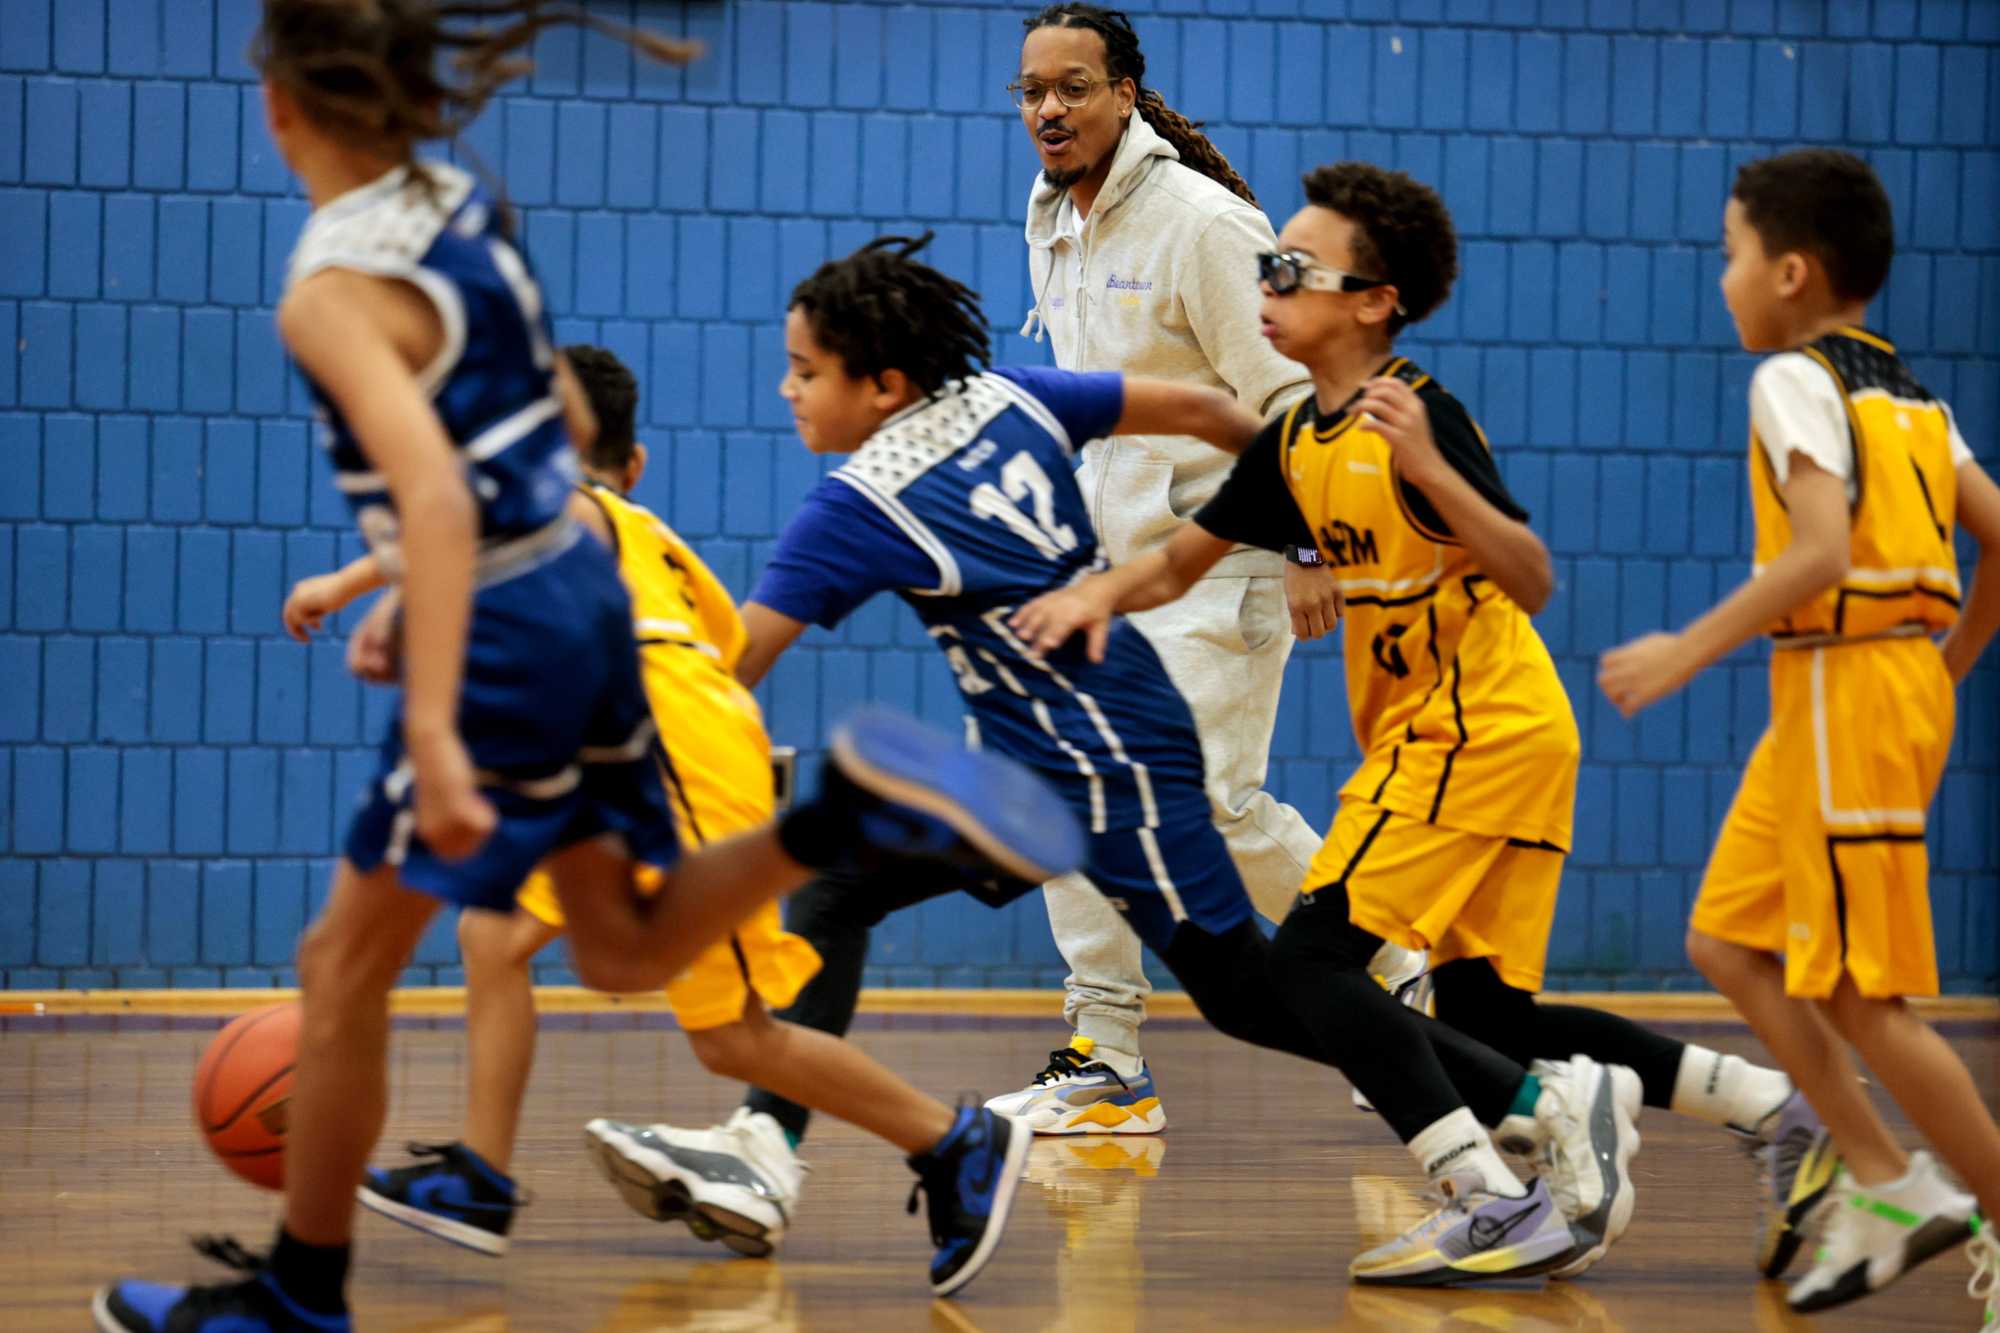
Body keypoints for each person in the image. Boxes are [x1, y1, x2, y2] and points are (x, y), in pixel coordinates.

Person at [90, 9, 1084, 1332]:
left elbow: (443, 501)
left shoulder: (328, 289)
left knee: (344, 966)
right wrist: (399, 585)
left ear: (279, 111)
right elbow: (526, 441)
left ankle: (300, 1296)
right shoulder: (460, 208)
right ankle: (836, 828)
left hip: (512, 626)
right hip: (569, 604)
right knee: (609, 946)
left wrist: (436, 717)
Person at [588, 232, 1647, 1290]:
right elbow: (1200, 411)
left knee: (1252, 983)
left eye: (804, 370)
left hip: (1092, 763)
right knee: (852, 895)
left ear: (883, 384)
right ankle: (773, 1152)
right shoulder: (1016, 396)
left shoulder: (855, 506)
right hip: (1083, 743)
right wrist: (1302, 535)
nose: (784, 390)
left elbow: (733, 667)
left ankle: (1519, 1132)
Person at [1014, 162, 1822, 1283]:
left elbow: (1530, 575)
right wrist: (1085, 594)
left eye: (1292, 270)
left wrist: (1431, 469)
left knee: (1307, 965)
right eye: (1266, 266)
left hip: (1473, 725)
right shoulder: (1293, 436)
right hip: (1480, 735)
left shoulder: (1413, 412)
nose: (1268, 283)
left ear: (1371, 299)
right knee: (1488, 1009)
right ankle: (1774, 1111)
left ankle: (1478, 1190)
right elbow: (1176, 563)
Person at [280, 345, 1032, 1296]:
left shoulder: (557, 505)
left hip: (668, 757)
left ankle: (955, 1141)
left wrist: (342, 589)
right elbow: (720, 647)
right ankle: (479, 1176)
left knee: (733, 1038)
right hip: (641, 754)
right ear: (633, 461)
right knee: (492, 936)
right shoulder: (655, 541)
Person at [1599, 148, 2000, 1324]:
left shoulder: (1788, 379)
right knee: (1727, 939)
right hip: (1852, 692)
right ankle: (1884, 1178)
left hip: (1843, 692)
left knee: (1864, 997)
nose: (1720, 279)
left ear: (1787, 270)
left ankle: (1959, 1198)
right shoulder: (1914, 398)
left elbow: (1818, 551)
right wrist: (1942, 666)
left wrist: (1682, 649)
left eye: (1728, 256)